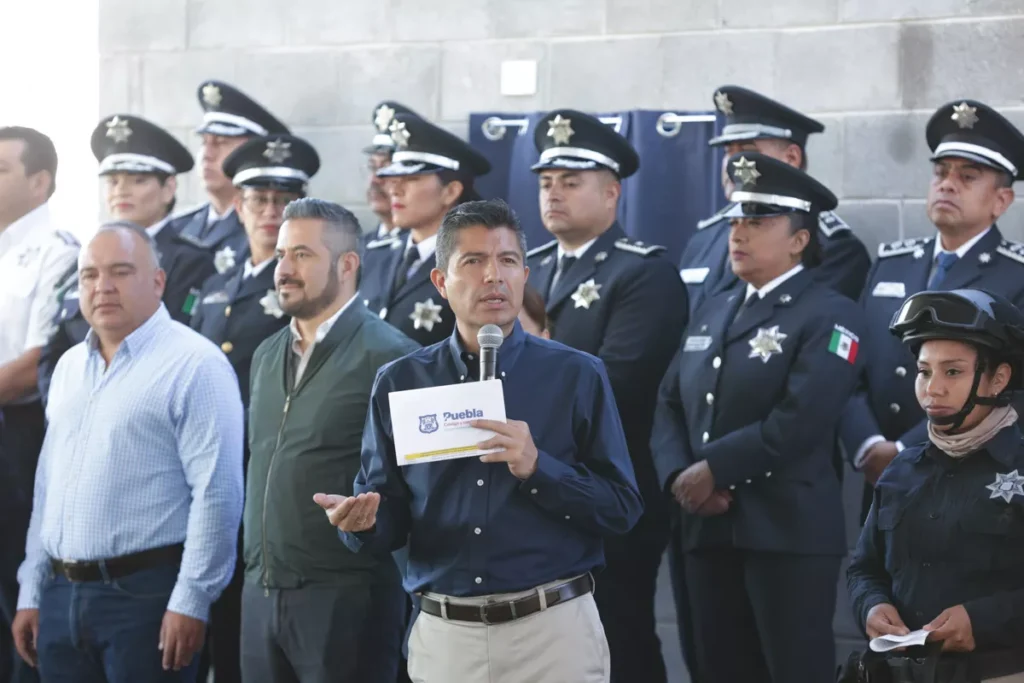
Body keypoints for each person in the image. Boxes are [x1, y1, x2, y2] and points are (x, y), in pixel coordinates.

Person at [319, 198, 643, 683]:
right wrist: (361, 522)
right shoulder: (402, 382)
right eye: (473, 261)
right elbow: (389, 513)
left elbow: (622, 508)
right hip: (447, 636)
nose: (494, 276)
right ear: (441, 283)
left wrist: (540, 468)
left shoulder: (577, 375)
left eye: (507, 261)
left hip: (553, 631)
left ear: (525, 275)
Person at [652, 153, 865, 683]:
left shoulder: (830, 313)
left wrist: (713, 470)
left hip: (785, 531)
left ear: (798, 239)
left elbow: (803, 418)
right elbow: (669, 401)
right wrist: (679, 475)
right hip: (706, 525)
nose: (739, 233)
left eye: (759, 221)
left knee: (792, 669)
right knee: (717, 668)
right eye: (737, 221)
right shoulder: (714, 308)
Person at [12, 221, 244, 683]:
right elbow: (48, 488)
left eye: (120, 271)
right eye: (89, 275)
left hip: (146, 597)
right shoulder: (69, 367)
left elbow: (218, 493)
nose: (103, 287)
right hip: (60, 595)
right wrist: (31, 591)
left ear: (158, 281)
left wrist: (191, 598)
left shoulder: (196, 365)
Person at [525, 108, 687, 683]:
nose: (554, 195)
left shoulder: (643, 274)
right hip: (538, 487)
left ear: (612, 192)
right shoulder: (528, 269)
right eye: (546, 182)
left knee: (617, 633)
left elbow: (616, 384)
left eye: (571, 182)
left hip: (612, 490)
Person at [242, 198, 418, 683]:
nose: (284, 269)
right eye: (280, 255)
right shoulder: (265, 354)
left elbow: (420, 493)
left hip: (347, 600)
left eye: (302, 255)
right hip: (260, 593)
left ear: (347, 265)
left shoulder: (395, 358)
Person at [841, 99, 1024, 518]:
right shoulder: (891, 263)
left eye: (968, 176)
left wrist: (905, 449)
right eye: (940, 173)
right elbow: (851, 363)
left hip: (969, 482)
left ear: (1001, 200)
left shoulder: (1016, 277)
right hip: (880, 476)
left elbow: (1013, 391)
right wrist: (867, 445)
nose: (946, 184)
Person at [190, 133, 319, 683]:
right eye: (257, 199)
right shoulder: (216, 284)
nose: (269, 212)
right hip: (206, 471)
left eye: (283, 201)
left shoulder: (309, 286)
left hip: (267, 475)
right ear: (238, 206)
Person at [847, 288, 1024, 683]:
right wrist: (871, 608)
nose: (933, 388)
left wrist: (980, 621)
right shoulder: (901, 470)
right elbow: (864, 569)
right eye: (924, 371)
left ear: (998, 379)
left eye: (953, 372)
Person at [38, 114, 215, 404]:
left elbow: (180, 344)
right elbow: (52, 352)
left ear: (168, 189)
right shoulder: (81, 262)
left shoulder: (190, 261)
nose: (121, 190)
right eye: (113, 181)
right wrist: (61, 407)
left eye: (138, 179)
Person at [679, 85, 871, 316]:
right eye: (728, 152)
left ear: (791, 158)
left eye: (747, 152)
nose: (732, 165)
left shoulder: (833, 248)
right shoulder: (704, 238)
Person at [0, 126, 78, 683]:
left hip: (19, 437)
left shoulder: (58, 252)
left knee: (18, 590)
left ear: (40, 180)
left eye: (1, 168)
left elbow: (34, 363)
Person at [360, 113, 492, 346]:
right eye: (394, 178)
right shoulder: (376, 255)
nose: (394, 190)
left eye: (410, 179)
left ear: (450, 191)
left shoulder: (474, 265)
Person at [175, 80, 290, 274]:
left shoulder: (269, 226)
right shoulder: (180, 226)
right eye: (204, 142)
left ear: (252, 153)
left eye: (220, 142)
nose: (207, 154)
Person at [360, 101, 422, 251]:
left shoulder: (420, 248)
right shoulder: (360, 247)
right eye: (373, 167)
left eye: (388, 170)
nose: (375, 180)